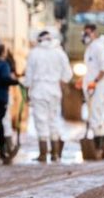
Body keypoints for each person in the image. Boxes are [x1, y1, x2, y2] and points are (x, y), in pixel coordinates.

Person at [24, 30, 72, 162]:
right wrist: (61, 83)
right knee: (53, 120)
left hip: (38, 91)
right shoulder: (59, 52)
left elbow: (28, 75)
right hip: (54, 90)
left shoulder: (34, 53)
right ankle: (55, 154)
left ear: (39, 40)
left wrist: (27, 92)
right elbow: (68, 73)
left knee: (41, 121)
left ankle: (43, 154)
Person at [82, 24, 104, 159]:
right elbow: (91, 69)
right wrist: (84, 80)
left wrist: (94, 81)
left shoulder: (99, 47)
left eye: (87, 33)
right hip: (93, 86)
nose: (85, 36)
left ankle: (98, 150)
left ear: (94, 33)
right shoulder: (91, 47)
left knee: (95, 118)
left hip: (99, 87)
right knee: (97, 118)